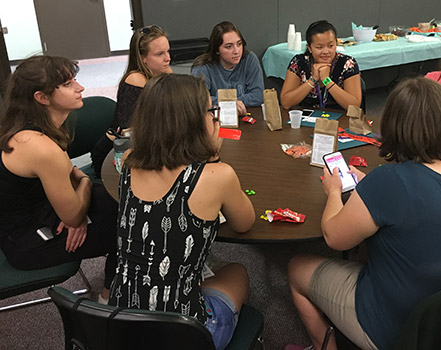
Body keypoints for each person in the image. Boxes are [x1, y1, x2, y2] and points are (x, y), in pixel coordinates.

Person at [286, 77, 441, 350]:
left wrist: (333, 192)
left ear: (392, 125)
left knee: (297, 268)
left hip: (401, 328)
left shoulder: (390, 180)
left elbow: (334, 237)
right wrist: (372, 189)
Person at [108, 74, 255, 350]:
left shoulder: (128, 162)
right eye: (210, 111)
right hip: (186, 336)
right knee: (238, 272)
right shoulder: (217, 175)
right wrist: (213, 156)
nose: (214, 117)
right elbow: (245, 223)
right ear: (195, 121)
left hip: (121, 324)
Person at [0, 56, 117, 302]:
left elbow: (67, 181)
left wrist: (77, 208)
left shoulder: (39, 127)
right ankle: (107, 301)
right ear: (42, 98)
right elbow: (73, 212)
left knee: (124, 204)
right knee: (130, 228)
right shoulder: (38, 145)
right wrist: (83, 182)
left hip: (44, 211)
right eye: (67, 83)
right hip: (26, 242)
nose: (80, 87)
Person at [91, 25, 172, 176]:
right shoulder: (135, 80)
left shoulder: (164, 72)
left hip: (146, 150)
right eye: (160, 54)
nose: (168, 58)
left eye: (168, 51)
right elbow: (131, 130)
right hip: (114, 154)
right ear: (142, 58)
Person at [280, 20, 361, 111]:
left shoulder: (348, 63)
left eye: (331, 46)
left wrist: (327, 81)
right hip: (306, 118)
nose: (326, 52)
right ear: (309, 48)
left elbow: (354, 106)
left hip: (340, 119)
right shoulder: (299, 62)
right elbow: (286, 103)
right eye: (319, 47)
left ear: (336, 43)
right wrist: (313, 79)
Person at [191, 21, 264, 116]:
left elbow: (258, 96)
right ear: (217, 50)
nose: (236, 51)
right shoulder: (202, 67)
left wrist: (231, 103)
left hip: (246, 115)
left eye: (239, 44)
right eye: (229, 47)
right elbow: (201, 100)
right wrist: (232, 104)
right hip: (215, 119)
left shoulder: (249, 59)